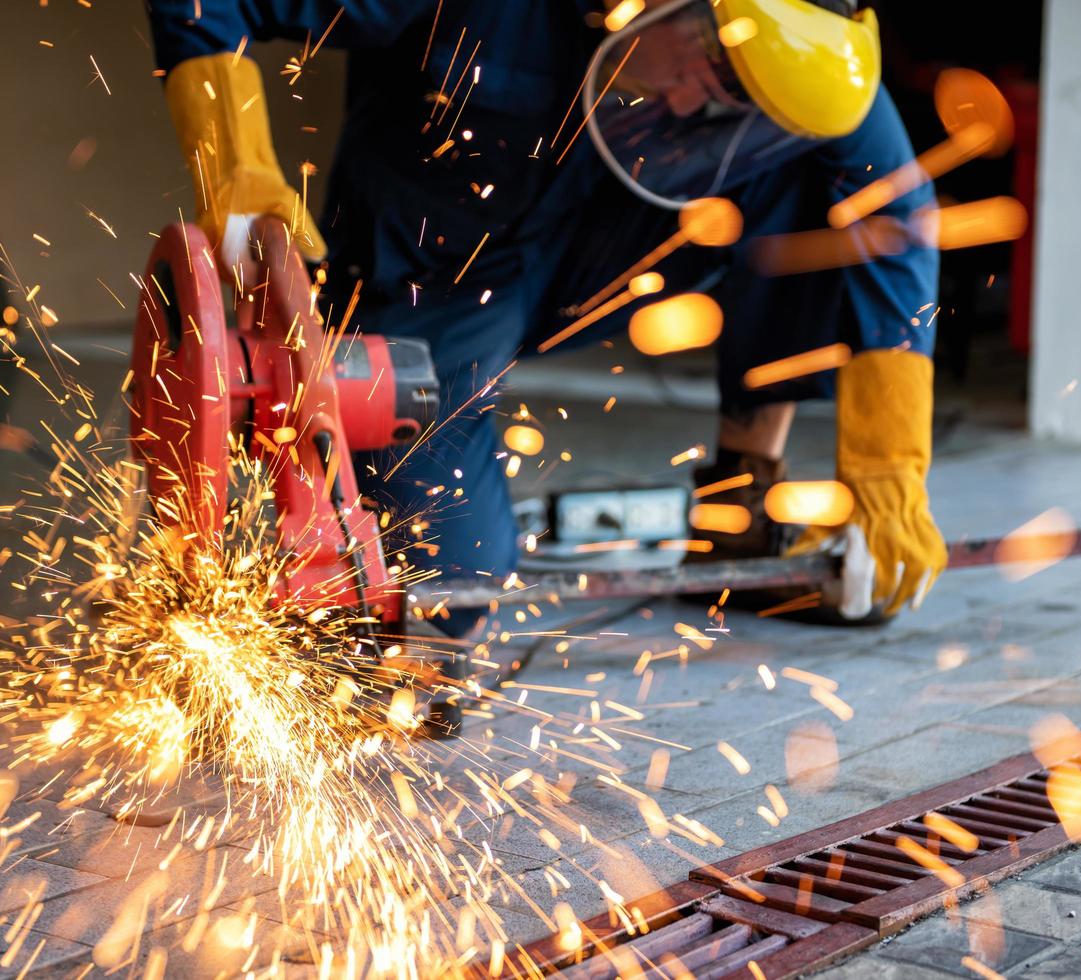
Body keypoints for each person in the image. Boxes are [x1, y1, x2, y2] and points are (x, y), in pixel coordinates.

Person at [147, 0, 948, 633]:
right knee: (452, 588)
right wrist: (237, 168)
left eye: (719, 105)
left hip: (604, 254)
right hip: (442, 278)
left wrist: (887, 476)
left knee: (817, 195)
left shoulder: (799, 39)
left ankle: (739, 506)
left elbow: (899, 213)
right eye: (703, 74)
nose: (681, 101)